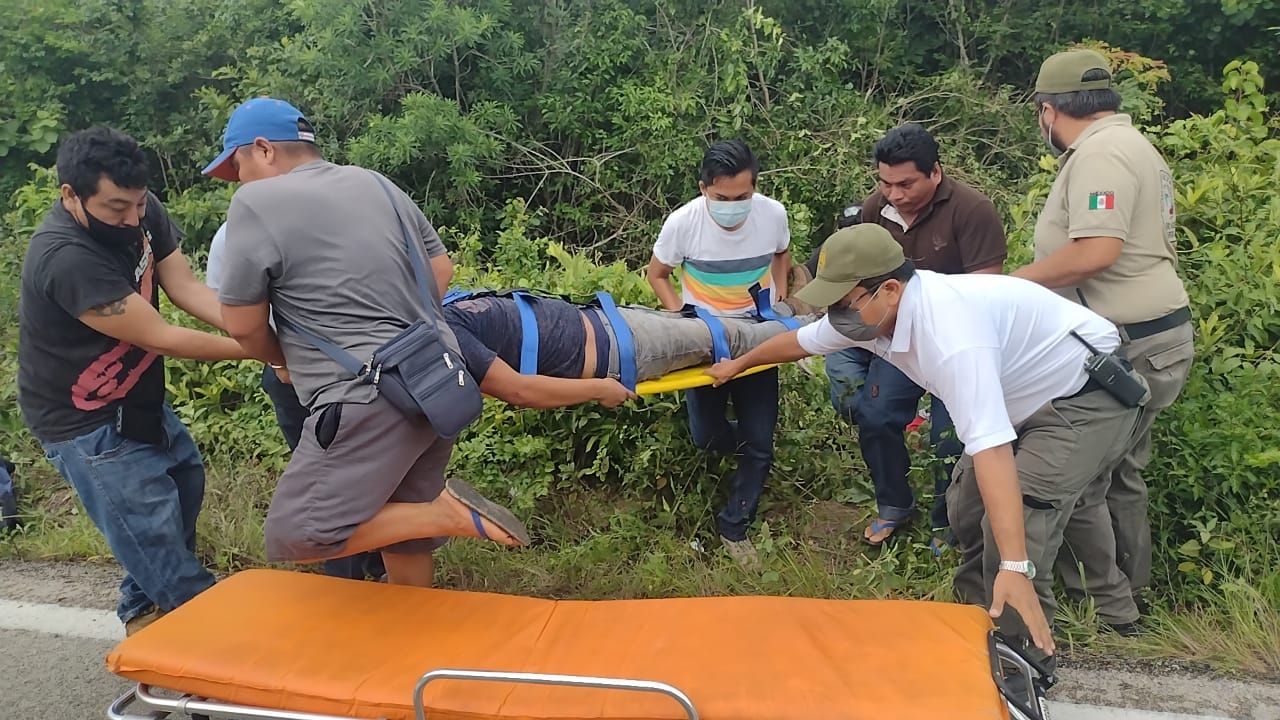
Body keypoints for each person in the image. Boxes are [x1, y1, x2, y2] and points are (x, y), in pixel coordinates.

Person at [707, 223, 1153, 667]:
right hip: (1020, 395)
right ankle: (981, 626)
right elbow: (799, 342)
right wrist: (737, 365)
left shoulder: (950, 335)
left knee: (1024, 521)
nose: (836, 316)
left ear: (890, 289)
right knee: (966, 507)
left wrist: (1015, 567)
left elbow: (991, 449)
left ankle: (1023, 667)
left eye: (844, 303)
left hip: (1083, 395)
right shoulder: (869, 316)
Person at [204, 97, 529, 588]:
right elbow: (440, 269)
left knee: (298, 535)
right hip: (438, 379)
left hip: (364, 395)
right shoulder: (377, 183)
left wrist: (282, 359)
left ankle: (447, 514)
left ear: (264, 149)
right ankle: (412, 638)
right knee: (404, 532)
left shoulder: (256, 203)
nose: (240, 182)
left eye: (239, 166)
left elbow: (244, 325)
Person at [17, 126, 255, 636]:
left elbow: (187, 288)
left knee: (183, 489)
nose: (131, 219)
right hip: (82, 420)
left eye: (137, 204)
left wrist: (256, 330)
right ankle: (227, 644)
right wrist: (259, 350)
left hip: (137, 398)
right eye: (115, 209)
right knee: (159, 546)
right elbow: (163, 336)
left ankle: (146, 627)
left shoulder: (143, 212)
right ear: (70, 196)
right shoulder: (66, 257)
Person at [1012, 48, 1194, 628]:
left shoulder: (1102, 154)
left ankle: (1113, 608)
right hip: (1149, 335)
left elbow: (1097, 252)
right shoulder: (1131, 145)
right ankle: (1123, 595)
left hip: (1128, 344)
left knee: (1083, 480)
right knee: (1118, 474)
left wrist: (1008, 288)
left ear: (1047, 110)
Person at [805, 124, 1008, 550]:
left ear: (935, 172)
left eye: (905, 184)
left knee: (950, 434)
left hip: (956, 341)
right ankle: (893, 505)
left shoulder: (973, 210)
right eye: (885, 182)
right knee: (875, 414)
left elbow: (987, 290)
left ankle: (948, 522)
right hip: (896, 336)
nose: (894, 194)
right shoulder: (876, 207)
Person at [206, 221, 387, 583]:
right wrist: (276, 360)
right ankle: (349, 577)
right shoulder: (234, 233)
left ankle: (365, 570)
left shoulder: (343, 217)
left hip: (355, 366)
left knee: (357, 474)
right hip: (288, 371)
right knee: (324, 477)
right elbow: (229, 308)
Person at [645, 139, 793, 568]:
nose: (734, 206)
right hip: (706, 339)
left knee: (761, 441)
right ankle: (741, 443)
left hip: (757, 334)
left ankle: (735, 526)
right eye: (722, 198)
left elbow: (782, 252)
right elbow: (658, 274)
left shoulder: (772, 214)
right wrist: (683, 317)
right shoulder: (683, 223)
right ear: (703, 189)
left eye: (743, 197)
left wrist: (779, 292)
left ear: (755, 188)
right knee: (705, 435)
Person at [440, 292, 816, 407]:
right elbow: (517, 390)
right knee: (728, 340)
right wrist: (599, 389)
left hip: (612, 319)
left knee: (717, 324)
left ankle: (790, 314)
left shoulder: (442, 305)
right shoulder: (444, 332)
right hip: (623, 350)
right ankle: (821, 332)